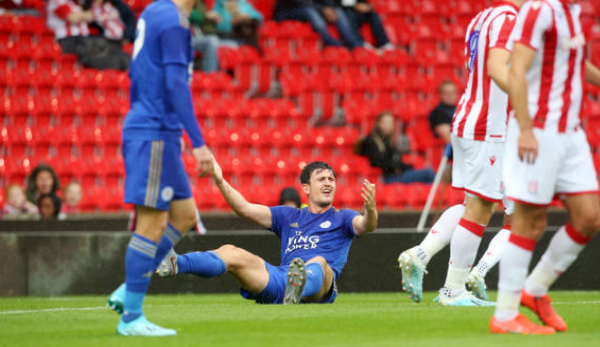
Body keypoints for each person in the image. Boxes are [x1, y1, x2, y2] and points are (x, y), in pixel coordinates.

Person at [398, 0, 523, 307]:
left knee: (473, 203)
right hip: (489, 127)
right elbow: (496, 69)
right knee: (482, 207)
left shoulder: (481, 18)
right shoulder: (508, 20)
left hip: (468, 119)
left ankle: (421, 253)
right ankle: (454, 290)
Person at [104, 0, 213, 337]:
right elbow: (176, 84)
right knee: (152, 224)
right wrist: (197, 141)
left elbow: (141, 73)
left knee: (183, 214)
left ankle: (128, 290)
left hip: (158, 128)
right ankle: (131, 318)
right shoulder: (174, 21)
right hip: (153, 132)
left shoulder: (154, 12)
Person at [492, 0, 600, 335]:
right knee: (530, 220)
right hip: (537, 129)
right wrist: (525, 128)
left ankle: (535, 290)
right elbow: (516, 69)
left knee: (589, 217)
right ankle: (505, 315)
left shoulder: (572, 12)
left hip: (570, 133)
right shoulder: (540, 9)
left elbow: (574, 64)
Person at [156, 160, 378, 306]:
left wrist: (371, 210)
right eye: (321, 179)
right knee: (231, 252)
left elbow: (366, 225)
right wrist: (219, 179)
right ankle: (175, 263)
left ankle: (298, 290)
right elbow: (243, 208)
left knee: (319, 262)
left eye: (331, 179)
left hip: (320, 287)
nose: (328, 183)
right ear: (306, 188)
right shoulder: (288, 216)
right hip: (283, 278)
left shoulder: (343, 217)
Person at [46, 0, 130, 70]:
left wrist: (82, 16)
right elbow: (73, 18)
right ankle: (123, 63)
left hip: (84, 39)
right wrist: (84, 16)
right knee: (97, 50)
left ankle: (127, 62)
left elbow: (91, 15)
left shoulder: (76, 2)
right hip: (69, 40)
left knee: (111, 47)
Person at [362, 112, 435, 184]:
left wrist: (404, 166)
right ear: (378, 124)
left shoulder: (388, 141)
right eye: (385, 123)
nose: (388, 126)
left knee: (426, 177)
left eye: (390, 123)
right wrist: (396, 167)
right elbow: (378, 162)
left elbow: (396, 161)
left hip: (397, 174)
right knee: (428, 173)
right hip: (387, 178)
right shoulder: (372, 141)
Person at [273, 0, 363, 49]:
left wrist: (329, 8)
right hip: (285, 12)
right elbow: (301, 2)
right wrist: (323, 9)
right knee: (309, 11)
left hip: (306, 9)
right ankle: (329, 41)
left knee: (336, 11)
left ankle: (354, 43)